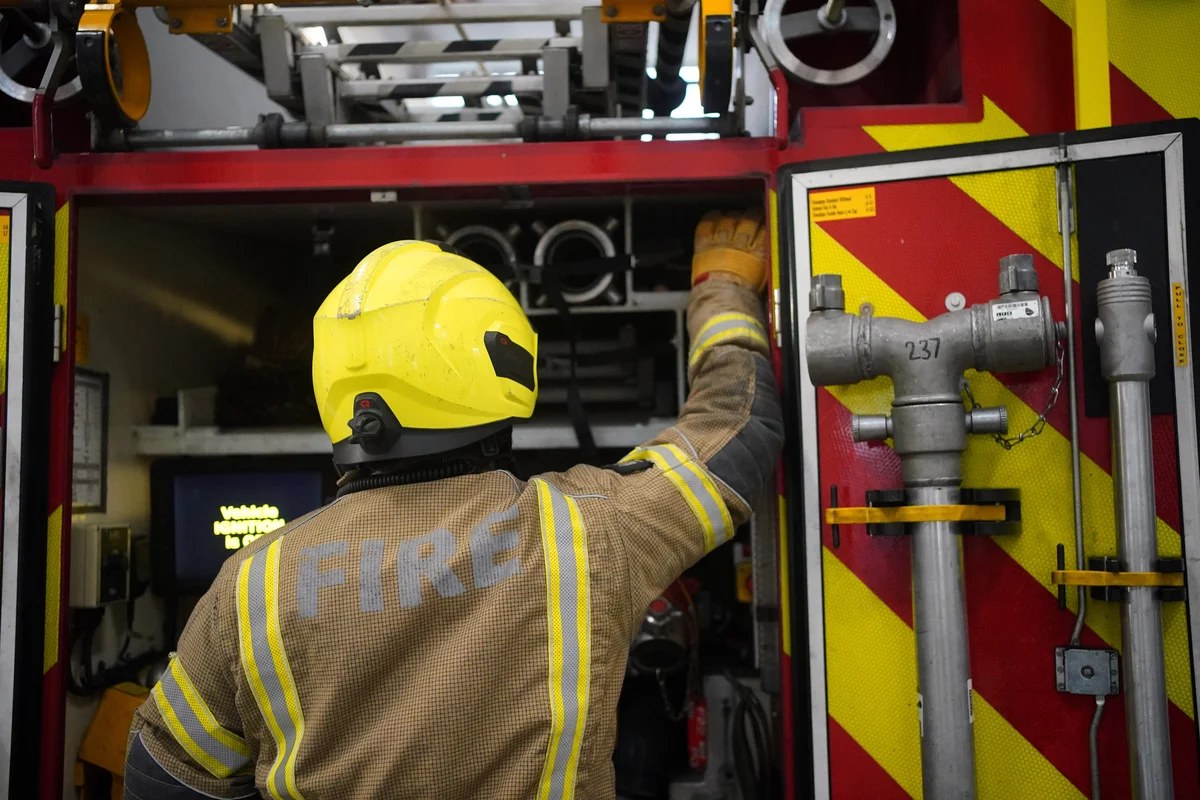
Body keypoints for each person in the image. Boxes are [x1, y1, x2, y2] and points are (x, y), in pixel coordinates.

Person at [124, 210, 784, 799]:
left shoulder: (253, 586)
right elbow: (739, 434)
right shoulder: (583, 534)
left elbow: (166, 771)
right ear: (502, 369)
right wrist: (721, 294)